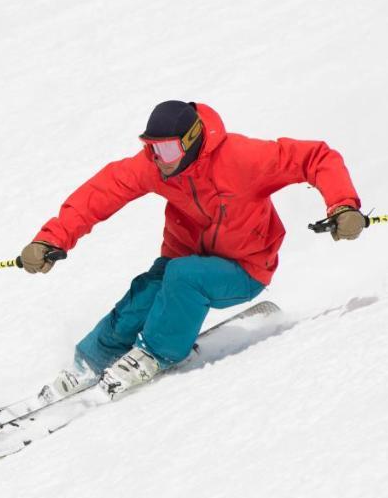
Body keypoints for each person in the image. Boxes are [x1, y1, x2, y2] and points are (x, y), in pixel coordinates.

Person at [20, 100, 364, 399]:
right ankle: (91, 361)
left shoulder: (242, 158)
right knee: (146, 292)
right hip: (180, 260)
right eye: (152, 149)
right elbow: (101, 192)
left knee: (184, 277)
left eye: (167, 149)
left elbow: (316, 157)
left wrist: (343, 206)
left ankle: (154, 353)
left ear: (191, 140)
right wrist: (50, 239)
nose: (159, 159)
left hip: (244, 268)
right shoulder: (155, 165)